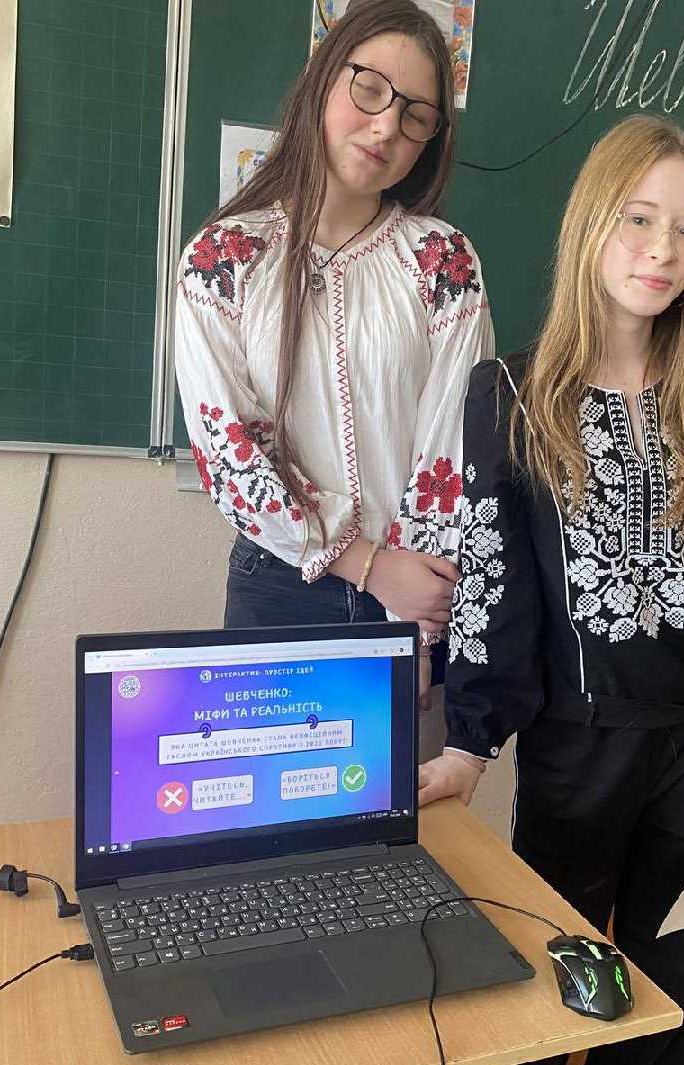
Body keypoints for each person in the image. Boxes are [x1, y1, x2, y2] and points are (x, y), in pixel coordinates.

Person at [419, 115, 684, 1065]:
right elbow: (496, 580)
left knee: (674, 975)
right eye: (640, 218)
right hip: (578, 746)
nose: (663, 250)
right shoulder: (509, 393)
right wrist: (471, 742)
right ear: (593, 222)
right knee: (550, 973)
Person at [175, 0, 494, 713]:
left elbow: (453, 441)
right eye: (370, 89)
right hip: (279, 582)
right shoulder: (224, 258)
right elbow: (228, 450)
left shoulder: (443, 262)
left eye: (416, 116)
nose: (386, 128)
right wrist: (366, 564)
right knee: (271, 785)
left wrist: (414, 618)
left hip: (416, 589)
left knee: (405, 788)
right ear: (323, 80)